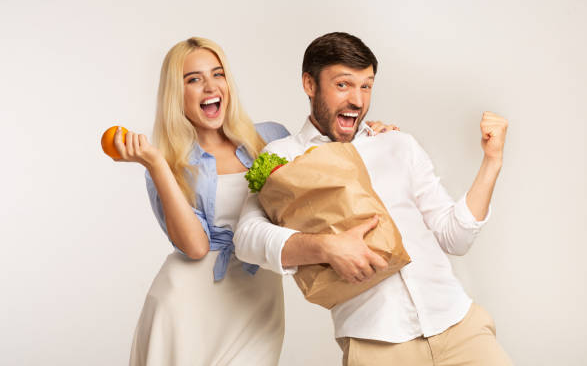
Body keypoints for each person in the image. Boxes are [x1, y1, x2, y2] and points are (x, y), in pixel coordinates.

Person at [234, 32, 513, 366]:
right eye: (343, 85)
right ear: (310, 84)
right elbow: (246, 238)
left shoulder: (397, 143)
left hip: (459, 326)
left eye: (366, 86)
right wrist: (325, 247)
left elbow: (456, 237)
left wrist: (492, 160)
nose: (357, 100)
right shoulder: (282, 157)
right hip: (376, 344)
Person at [113, 37, 396, 365]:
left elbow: (324, 163)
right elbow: (195, 247)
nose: (210, 87)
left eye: (217, 74)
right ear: (176, 93)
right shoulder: (164, 162)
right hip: (187, 304)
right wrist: (157, 164)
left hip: (257, 303)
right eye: (194, 79)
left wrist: (370, 135)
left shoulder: (270, 137)